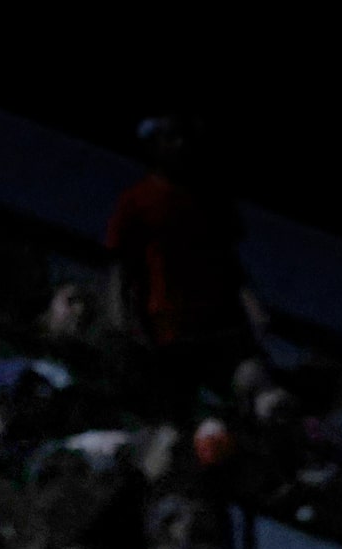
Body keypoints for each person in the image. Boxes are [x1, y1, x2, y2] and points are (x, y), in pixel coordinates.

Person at [104, 116, 264, 413]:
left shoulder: (215, 200)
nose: (180, 146)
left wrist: (252, 306)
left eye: (185, 138)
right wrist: (120, 323)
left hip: (220, 328)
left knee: (252, 388)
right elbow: (121, 268)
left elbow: (230, 262)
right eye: (171, 138)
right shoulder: (135, 201)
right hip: (167, 332)